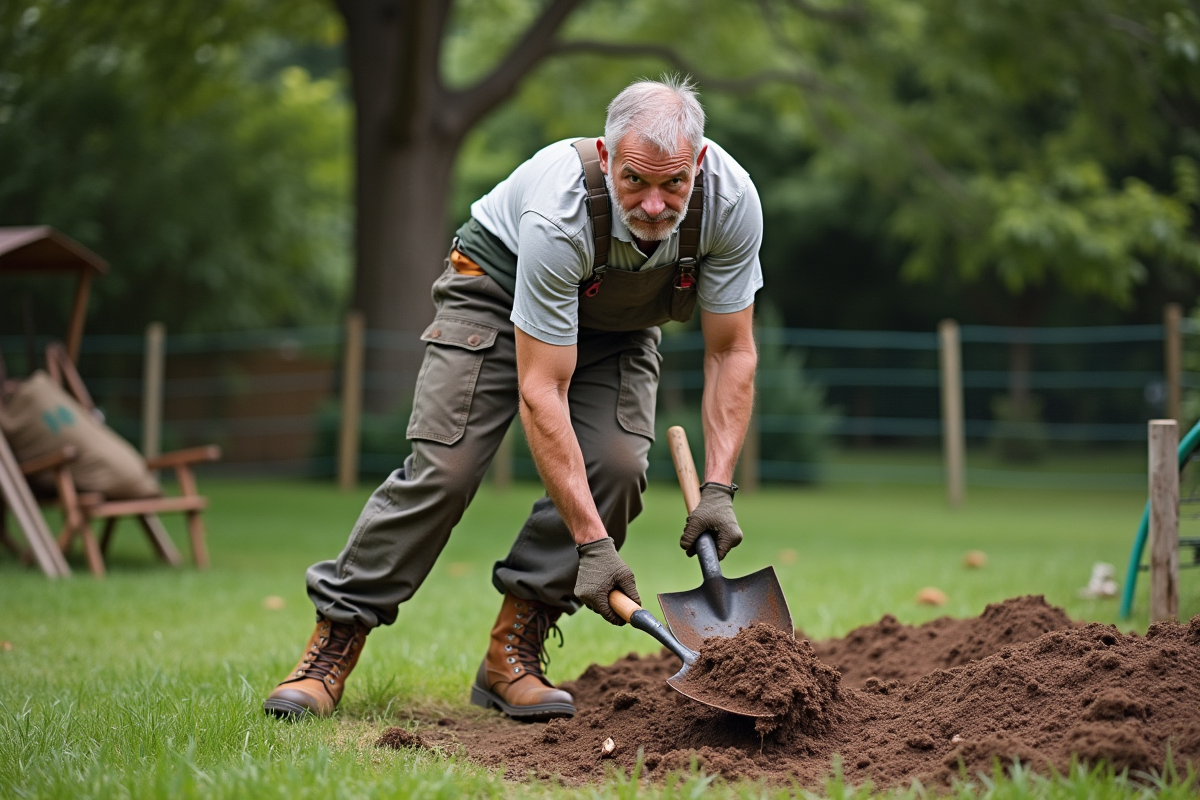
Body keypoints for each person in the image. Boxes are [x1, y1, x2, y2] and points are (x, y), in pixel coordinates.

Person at [263, 76, 763, 721]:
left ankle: (512, 655)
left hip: (615, 327)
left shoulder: (731, 202)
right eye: (635, 181)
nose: (655, 204)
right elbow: (542, 387)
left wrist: (718, 489)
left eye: (673, 184)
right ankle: (335, 642)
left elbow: (731, 351)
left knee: (615, 466)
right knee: (447, 469)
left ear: (698, 162)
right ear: (606, 157)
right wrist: (592, 545)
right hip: (495, 298)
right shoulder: (557, 211)